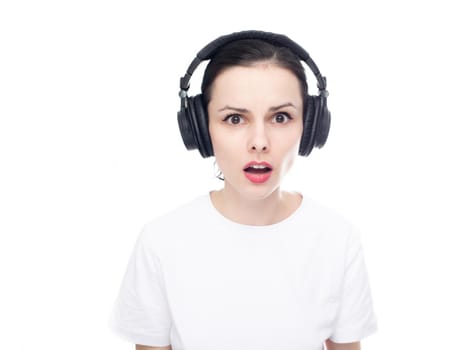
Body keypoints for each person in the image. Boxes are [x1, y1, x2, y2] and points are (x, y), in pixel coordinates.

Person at [110, 30, 377, 350]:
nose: (259, 142)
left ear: (311, 126)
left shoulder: (338, 239)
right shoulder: (161, 241)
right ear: (200, 128)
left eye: (281, 117)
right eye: (235, 118)